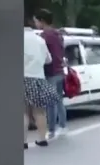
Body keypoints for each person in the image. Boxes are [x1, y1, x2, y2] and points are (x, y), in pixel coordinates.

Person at [24, 25, 61, 148]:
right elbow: (48, 60)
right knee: (39, 111)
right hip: (38, 78)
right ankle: (42, 139)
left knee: (23, 112)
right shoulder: (40, 40)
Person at [33, 9, 68, 139]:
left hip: (50, 72)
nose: (35, 24)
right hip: (59, 71)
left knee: (50, 103)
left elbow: (41, 55)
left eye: (36, 21)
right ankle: (63, 126)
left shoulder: (44, 36)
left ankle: (52, 130)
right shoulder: (58, 34)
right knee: (58, 100)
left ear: (42, 21)